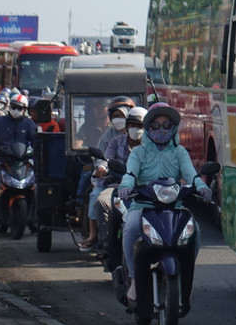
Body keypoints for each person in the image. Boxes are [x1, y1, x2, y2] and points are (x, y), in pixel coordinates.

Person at [117, 104, 213, 303]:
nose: (161, 130)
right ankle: (134, 278)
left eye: (166, 125)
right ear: (148, 128)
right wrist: (126, 186)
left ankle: (186, 279)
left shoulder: (179, 153)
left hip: (173, 207)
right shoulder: (138, 153)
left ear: (173, 128)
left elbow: (191, 175)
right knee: (131, 227)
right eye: (156, 126)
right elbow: (130, 174)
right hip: (143, 205)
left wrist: (202, 187)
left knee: (194, 231)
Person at [0, 91, 38, 234]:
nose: (16, 110)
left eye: (20, 108)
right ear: (9, 106)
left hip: (22, 162)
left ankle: (33, 222)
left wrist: (39, 150)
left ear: (25, 110)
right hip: (2, 161)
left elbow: (35, 139)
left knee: (34, 190)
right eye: (14, 106)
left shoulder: (29, 124)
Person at [96, 106, 145, 268]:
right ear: (127, 125)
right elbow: (106, 159)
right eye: (132, 125)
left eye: (139, 126)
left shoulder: (152, 146)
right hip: (118, 188)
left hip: (145, 190)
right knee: (102, 201)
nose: (135, 129)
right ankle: (107, 246)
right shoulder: (116, 142)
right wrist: (102, 168)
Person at [83, 97, 135, 250]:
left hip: (136, 181)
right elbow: (104, 157)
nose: (118, 119)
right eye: (115, 116)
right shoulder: (111, 137)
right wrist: (102, 168)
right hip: (112, 179)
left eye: (121, 115)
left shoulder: (145, 139)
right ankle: (95, 235)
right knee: (97, 198)